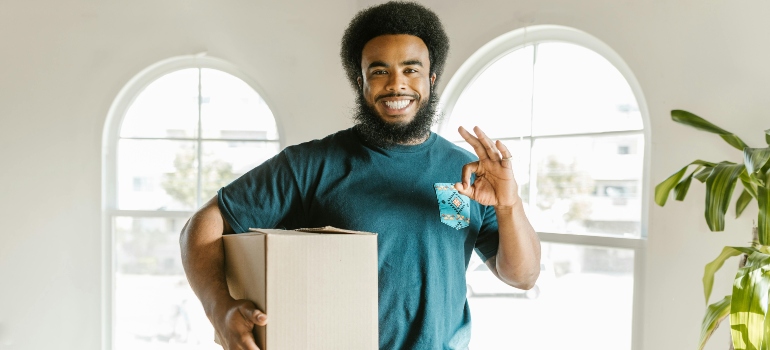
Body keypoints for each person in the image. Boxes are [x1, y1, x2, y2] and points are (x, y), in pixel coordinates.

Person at [179, 2, 541, 349]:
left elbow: (521, 276)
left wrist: (509, 206)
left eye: (411, 69)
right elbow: (203, 225)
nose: (396, 84)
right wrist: (218, 308)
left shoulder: (469, 171)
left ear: (431, 79)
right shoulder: (311, 165)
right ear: (361, 83)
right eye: (379, 71)